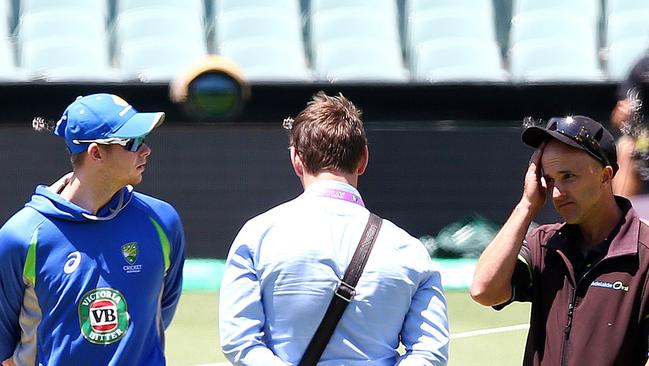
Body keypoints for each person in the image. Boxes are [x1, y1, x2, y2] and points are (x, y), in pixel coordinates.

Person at [219, 91, 449, 365]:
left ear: (296, 160)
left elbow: (239, 341)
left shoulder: (257, 236)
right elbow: (429, 354)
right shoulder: (409, 249)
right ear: (363, 159)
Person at [0, 93, 185, 366]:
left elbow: (157, 315)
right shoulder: (22, 236)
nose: (146, 150)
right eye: (133, 142)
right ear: (96, 153)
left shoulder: (162, 220)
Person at [470, 115, 649, 365]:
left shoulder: (644, 254)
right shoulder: (544, 243)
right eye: (550, 179)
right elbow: (484, 290)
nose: (556, 193)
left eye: (568, 177)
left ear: (605, 176)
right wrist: (527, 205)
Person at [611, 54, 649, 199]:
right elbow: (617, 119)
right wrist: (623, 113)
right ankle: (623, 219)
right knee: (626, 147)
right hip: (644, 138)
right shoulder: (644, 66)